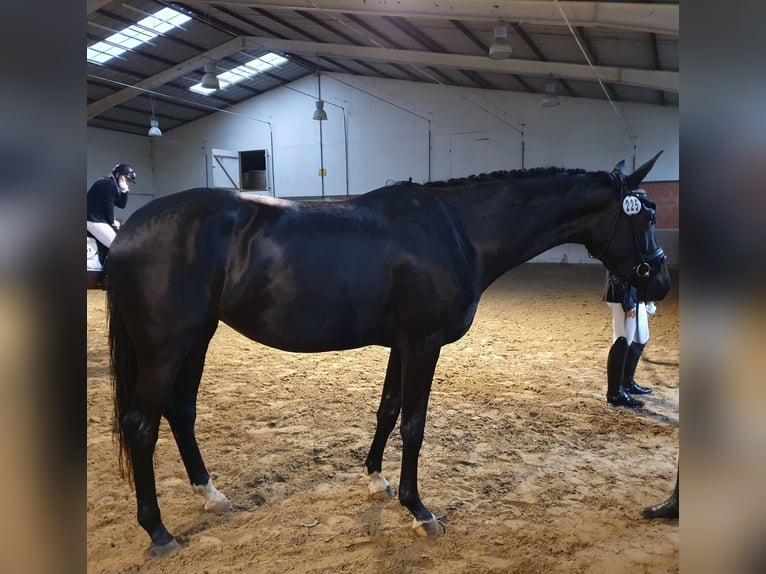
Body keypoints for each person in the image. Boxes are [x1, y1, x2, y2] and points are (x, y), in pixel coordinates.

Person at [604, 269, 656, 407]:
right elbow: (618, 270)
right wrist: (629, 301)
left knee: (641, 338)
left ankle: (626, 383)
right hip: (624, 295)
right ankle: (614, 392)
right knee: (622, 339)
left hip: (635, 293)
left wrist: (646, 297)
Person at [86, 163, 136, 264]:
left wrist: (124, 190)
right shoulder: (108, 184)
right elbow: (108, 208)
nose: (128, 182)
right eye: (127, 179)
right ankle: (106, 275)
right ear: (118, 175)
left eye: (129, 181)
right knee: (117, 246)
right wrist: (112, 223)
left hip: (98, 219)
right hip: (94, 220)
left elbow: (121, 205)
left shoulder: (110, 184)